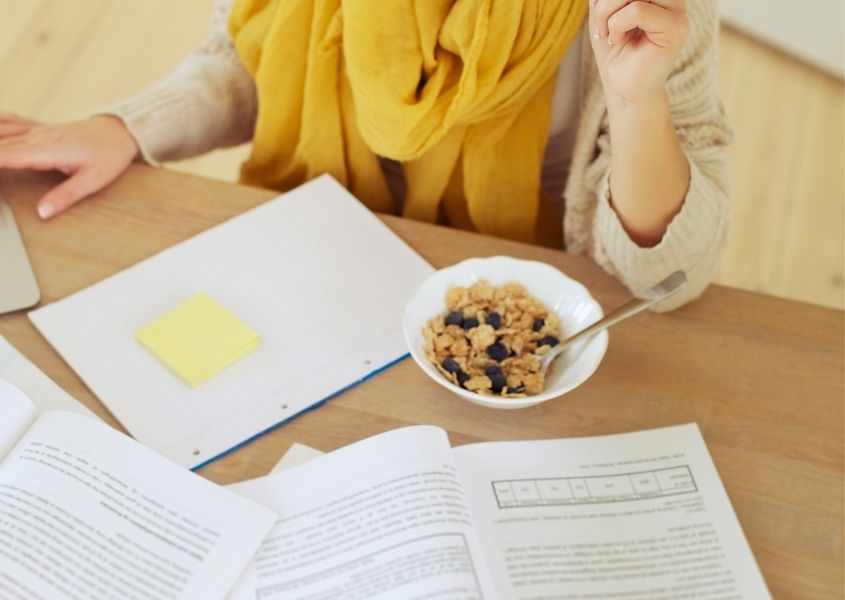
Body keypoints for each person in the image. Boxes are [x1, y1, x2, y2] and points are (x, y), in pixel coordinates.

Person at [0, 0, 731, 311]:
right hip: (322, 265)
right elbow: (245, 60)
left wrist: (637, 101)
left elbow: (668, 274)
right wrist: (123, 127)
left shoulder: (645, 12)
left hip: (513, 298)